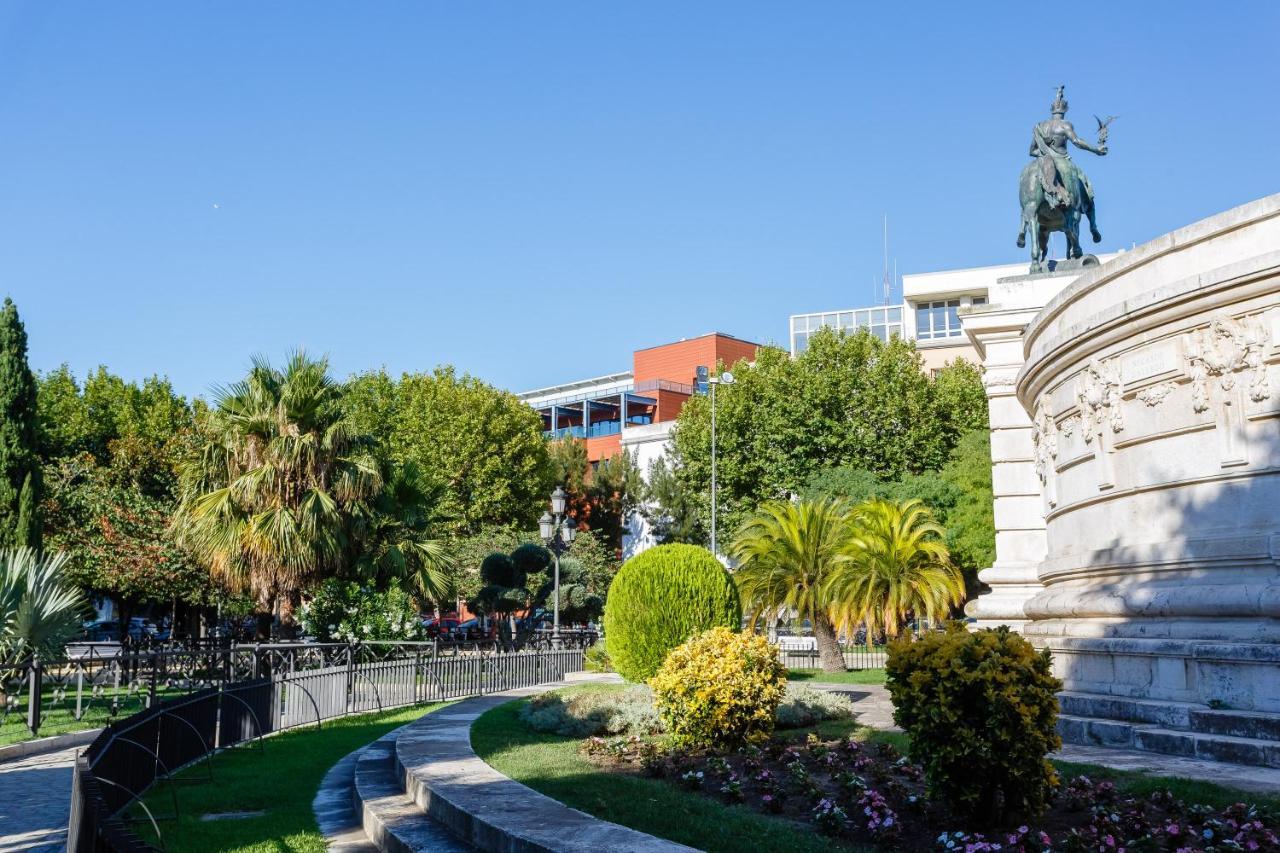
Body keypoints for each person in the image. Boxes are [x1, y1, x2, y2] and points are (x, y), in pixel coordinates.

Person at [1030, 86, 1107, 210]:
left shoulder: (1040, 126)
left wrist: (1044, 153)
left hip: (1042, 159)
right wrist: (1096, 150)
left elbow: (1032, 151)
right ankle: (1089, 220)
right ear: (1065, 111)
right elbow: (1076, 141)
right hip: (1061, 160)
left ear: (1052, 111)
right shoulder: (1065, 125)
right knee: (1082, 180)